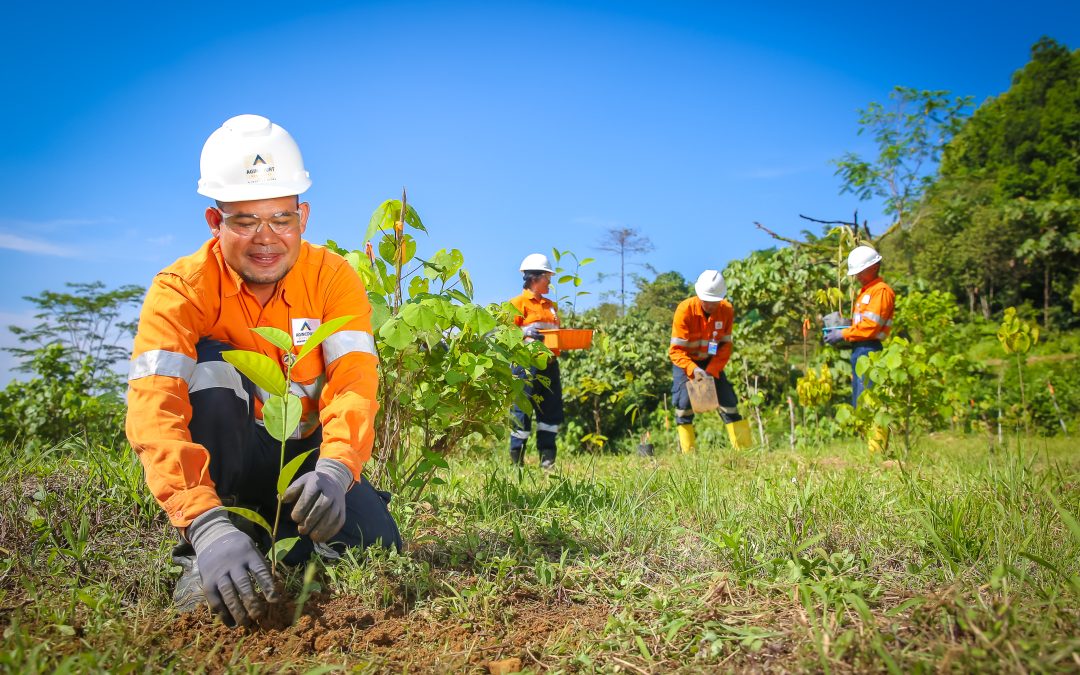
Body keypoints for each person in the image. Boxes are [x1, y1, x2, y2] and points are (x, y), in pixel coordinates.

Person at [126, 114, 401, 628]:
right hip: (226, 460)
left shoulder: (332, 279)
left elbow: (353, 386)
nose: (266, 239)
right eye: (245, 221)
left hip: (307, 466)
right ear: (215, 222)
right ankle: (213, 540)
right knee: (210, 372)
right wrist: (204, 524)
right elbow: (154, 409)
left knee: (377, 540)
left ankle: (274, 537)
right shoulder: (181, 290)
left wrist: (336, 471)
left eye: (281, 218)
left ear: (304, 216)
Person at [669, 270, 752, 452]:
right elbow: (675, 351)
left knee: (729, 402)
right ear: (699, 295)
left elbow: (725, 347)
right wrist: (692, 369)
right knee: (683, 405)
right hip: (686, 361)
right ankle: (688, 454)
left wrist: (711, 370)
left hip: (711, 362)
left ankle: (744, 452)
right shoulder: (685, 310)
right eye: (707, 300)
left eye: (715, 301)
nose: (710, 305)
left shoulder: (726, 310)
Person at [507, 253, 564, 469]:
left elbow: (555, 333)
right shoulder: (517, 304)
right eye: (547, 277)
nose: (550, 281)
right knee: (521, 410)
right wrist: (525, 331)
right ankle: (517, 460)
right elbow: (506, 334)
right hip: (525, 365)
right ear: (534, 278)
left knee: (550, 408)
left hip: (549, 364)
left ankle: (547, 460)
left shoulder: (551, 306)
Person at [824, 245, 895, 407]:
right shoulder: (866, 292)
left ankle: (871, 432)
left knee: (867, 401)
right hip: (859, 349)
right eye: (857, 273)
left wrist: (842, 334)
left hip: (870, 349)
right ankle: (862, 431)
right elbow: (863, 323)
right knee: (858, 399)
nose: (859, 277)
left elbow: (870, 327)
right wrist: (846, 325)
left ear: (875, 267)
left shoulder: (881, 291)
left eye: (862, 272)